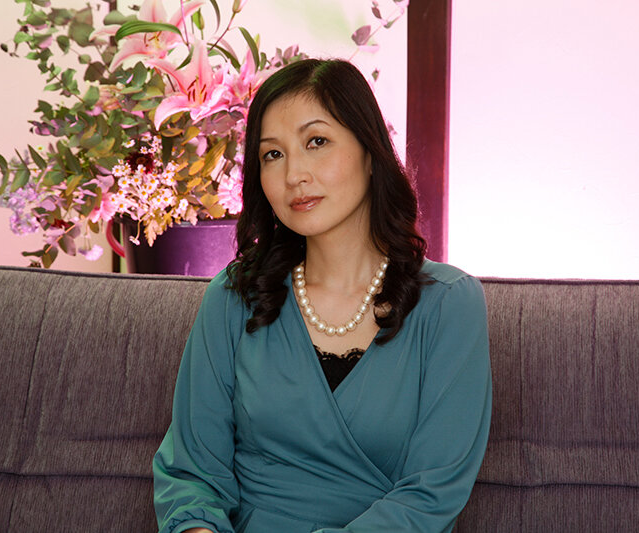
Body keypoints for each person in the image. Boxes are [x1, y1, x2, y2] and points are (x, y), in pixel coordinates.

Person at [153, 58, 492, 533]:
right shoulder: (233, 297)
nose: (294, 174)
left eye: (316, 142)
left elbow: (430, 495)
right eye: (273, 154)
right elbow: (193, 475)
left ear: (370, 152)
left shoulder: (450, 304)